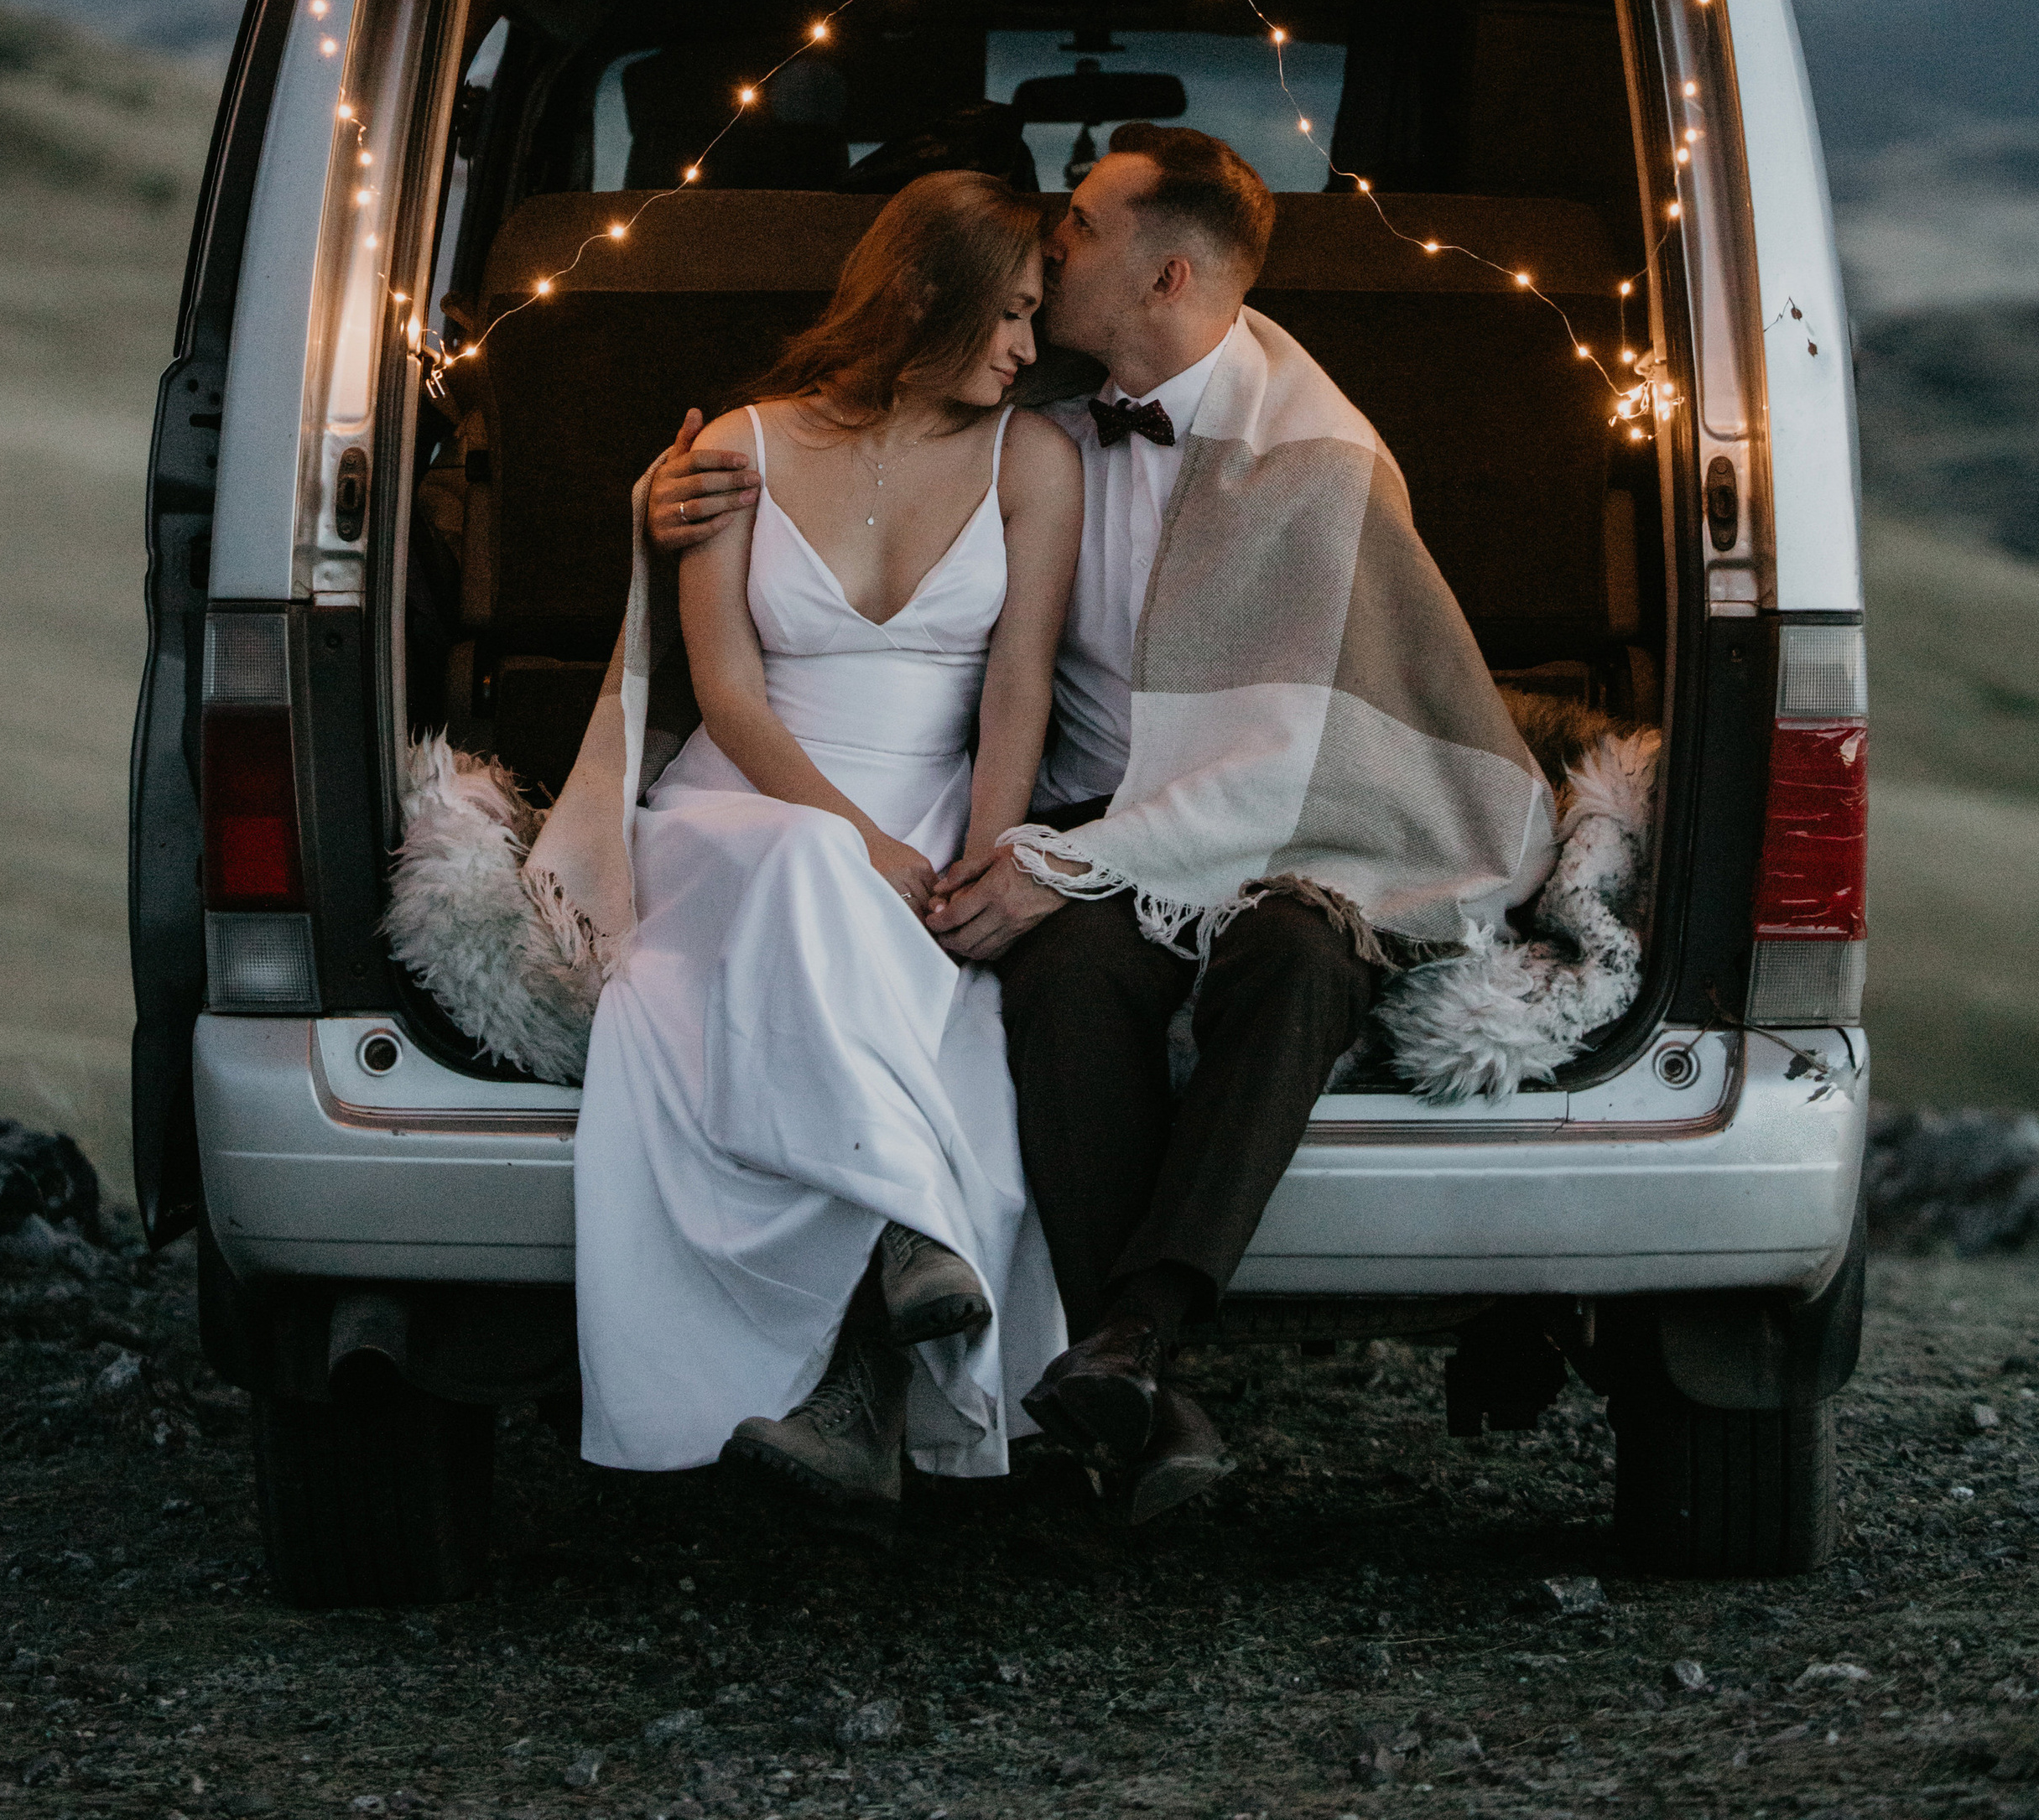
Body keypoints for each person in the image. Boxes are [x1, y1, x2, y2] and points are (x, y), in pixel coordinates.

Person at [650, 125, 1552, 1526]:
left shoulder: (1317, 451)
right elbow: (849, 434)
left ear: (1165, 275)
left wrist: (1060, 861)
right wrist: (665, 491)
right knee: (1065, 977)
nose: (1051, 239)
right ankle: (1131, 1387)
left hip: (1278, 832)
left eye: (1080, 222)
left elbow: (1307, 747)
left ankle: (1139, 1332)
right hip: (1089, 815)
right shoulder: (1026, 396)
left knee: (1299, 960)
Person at [572, 169, 1084, 1521]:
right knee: (810, 867)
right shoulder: (741, 445)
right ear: (920, 296)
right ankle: (914, 1226)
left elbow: (1018, 683)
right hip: (743, 807)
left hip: (935, 809)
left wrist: (989, 854)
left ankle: (859, 1384)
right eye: (1010, 313)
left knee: (945, 988)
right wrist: (860, 844)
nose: (1029, 347)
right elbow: (729, 694)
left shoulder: (1034, 459)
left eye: (1037, 315)